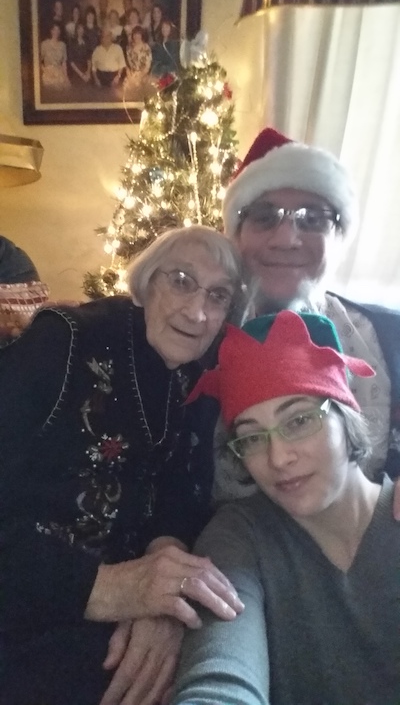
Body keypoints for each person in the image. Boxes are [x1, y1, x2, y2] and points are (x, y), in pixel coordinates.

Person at [0, 226, 246, 705]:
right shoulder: (66, 342)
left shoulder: (200, 372)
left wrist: (162, 589)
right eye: (180, 280)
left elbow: (182, 488)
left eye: (217, 296)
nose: (197, 312)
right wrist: (111, 588)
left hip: (115, 627)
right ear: (146, 282)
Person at [172, 309, 400, 704]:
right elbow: (219, 676)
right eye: (253, 438)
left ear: (345, 416)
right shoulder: (238, 538)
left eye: (298, 421)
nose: (278, 458)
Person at [215, 126, 400, 500]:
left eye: (312, 218)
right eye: (265, 217)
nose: (286, 238)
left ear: (339, 237)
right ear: (236, 234)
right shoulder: (195, 339)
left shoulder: (391, 336)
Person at [40, 22, 71, 91]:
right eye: (54, 29)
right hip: (48, 72)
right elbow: (39, 61)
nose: (56, 32)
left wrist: (66, 76)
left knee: (65, 88)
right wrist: (45, 70)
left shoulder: (62, 45)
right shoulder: (44, 44)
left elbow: (64, 63)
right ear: (51, 31)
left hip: (59, 72)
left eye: (58, 30)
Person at [124, 25, 152, 95]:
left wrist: (140, 76)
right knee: (126, 86)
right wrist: (130, 75)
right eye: (135, 34)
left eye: (139, 34)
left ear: (142, 35)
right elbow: (127, 65)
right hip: (132, 74)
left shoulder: (146, 48)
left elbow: (147, 66)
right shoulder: (129, 48)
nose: (137, 36)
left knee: (138, 85)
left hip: (143, 74)